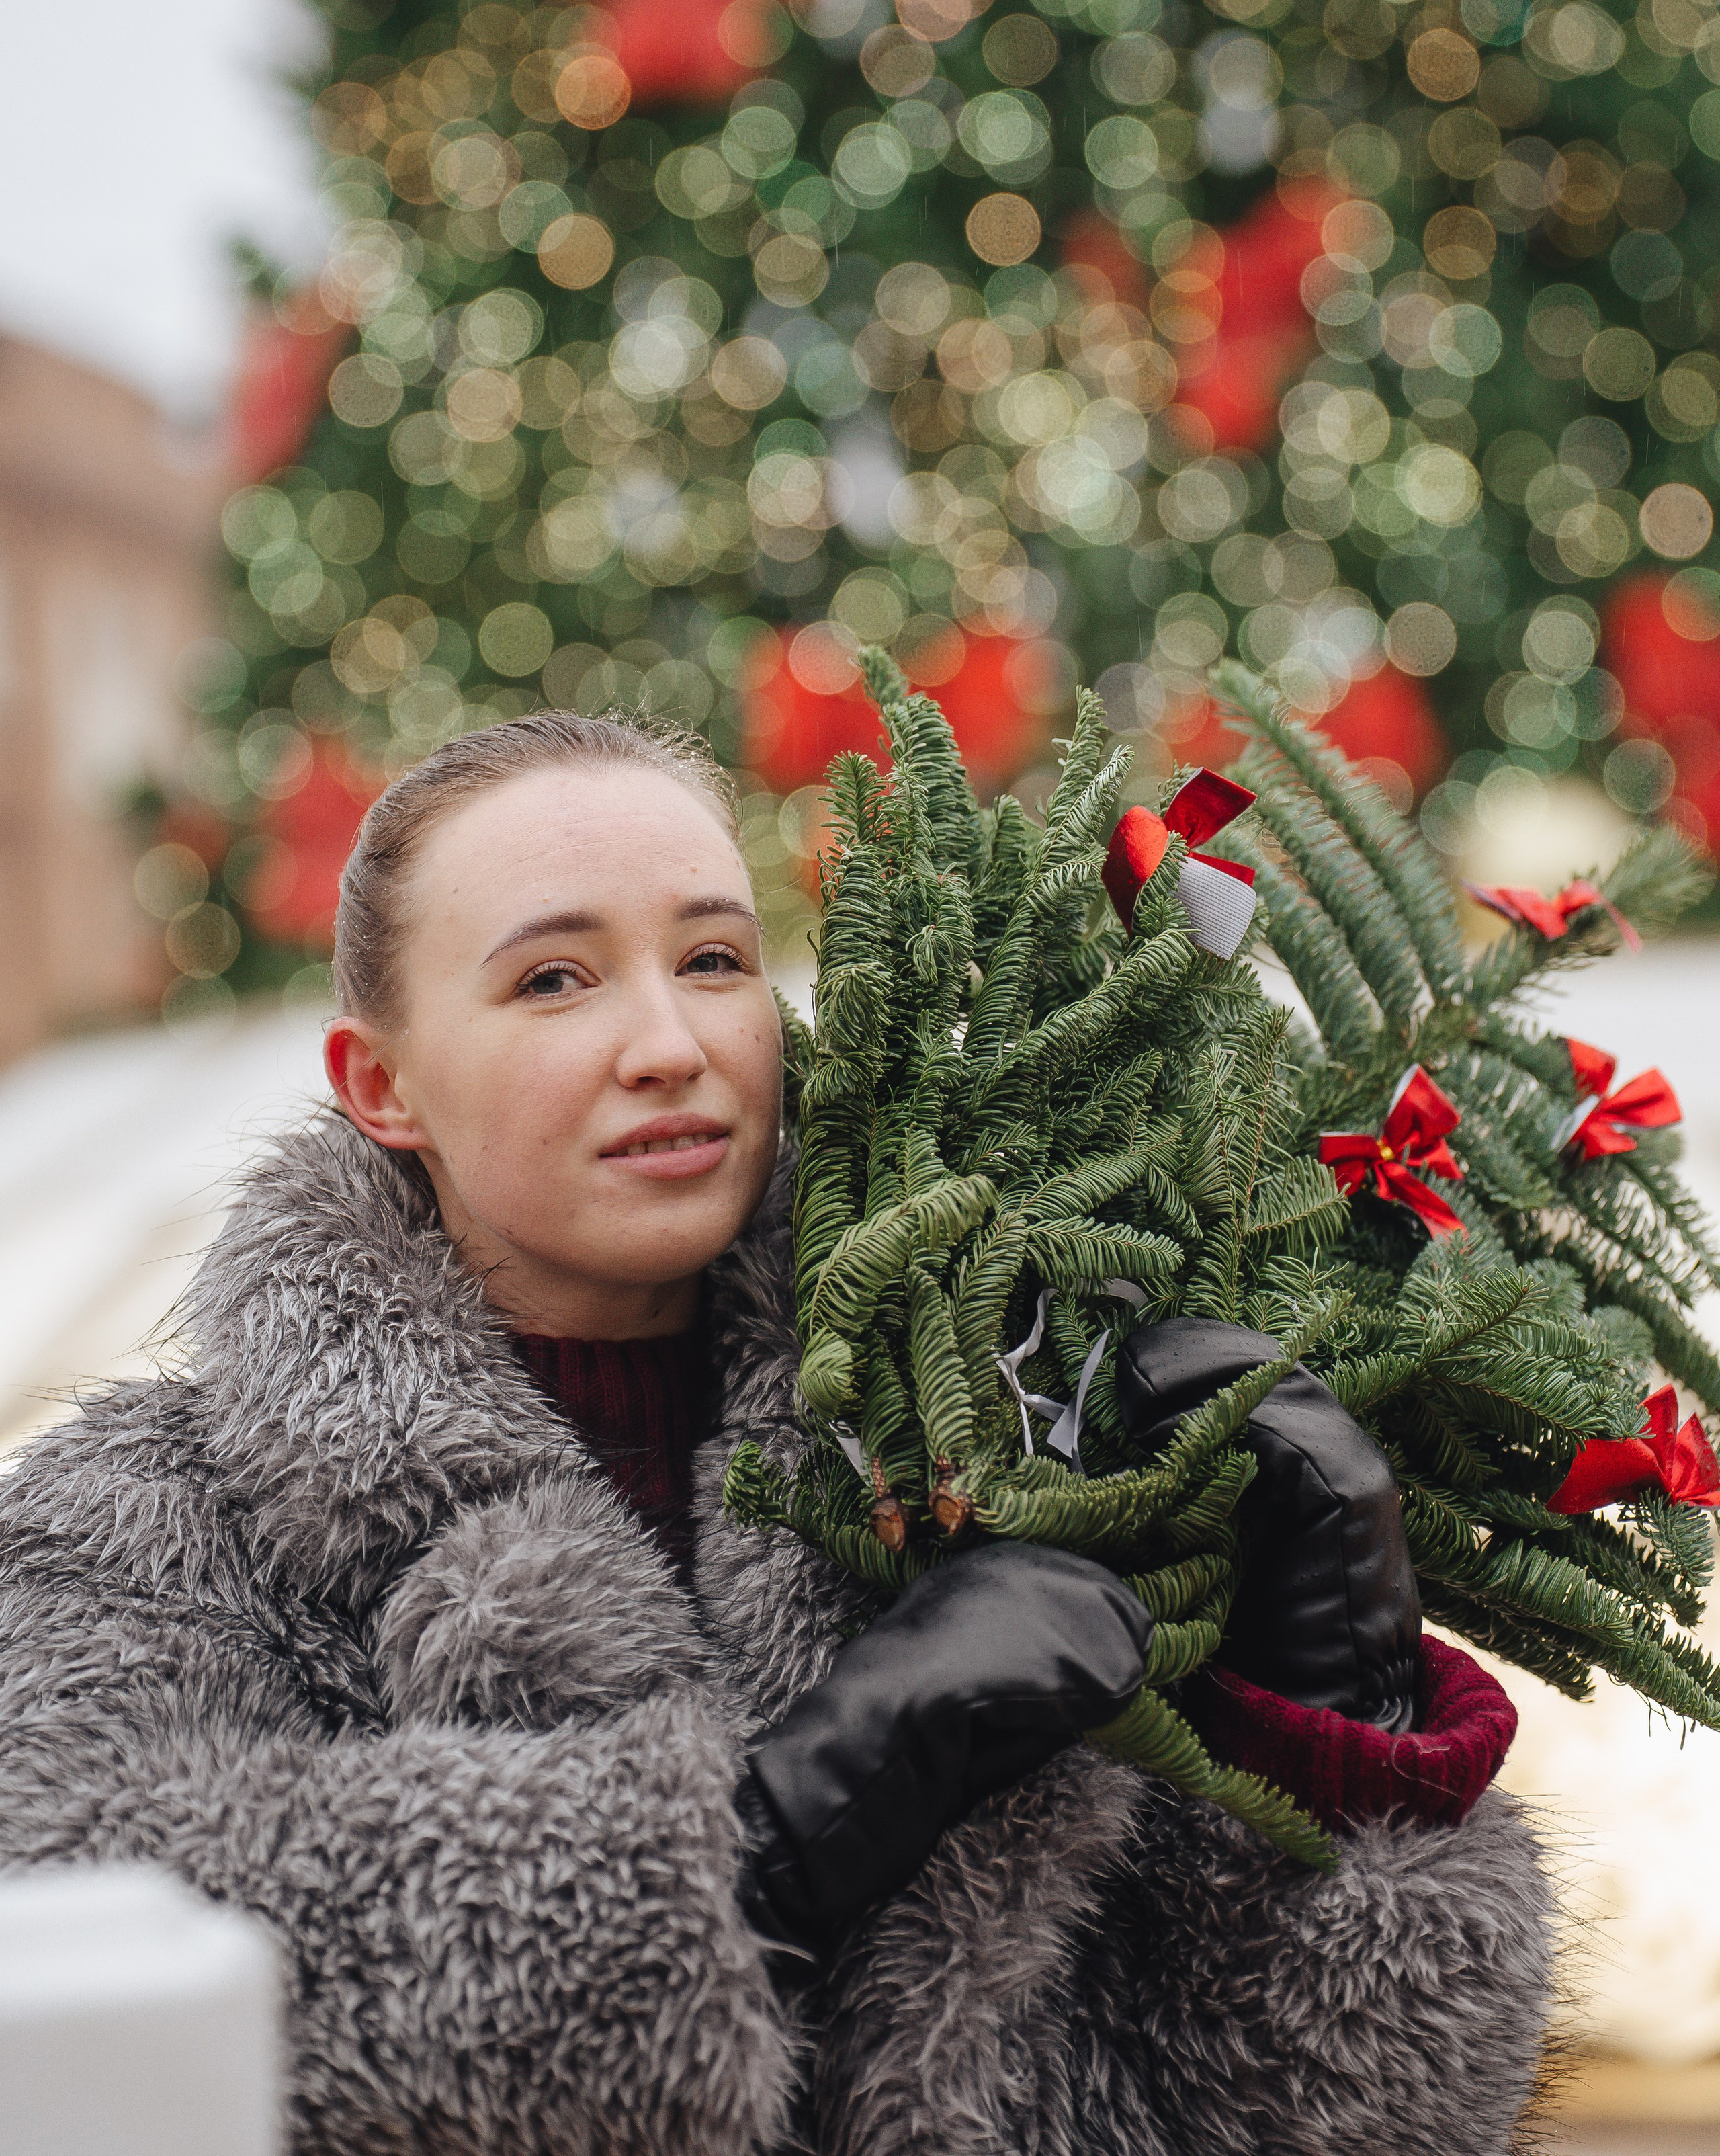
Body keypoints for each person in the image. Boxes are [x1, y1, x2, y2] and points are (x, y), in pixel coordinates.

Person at [0, 712, 1549, 2155]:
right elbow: (99, 1991)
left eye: (717, 959)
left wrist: (1334, 1717)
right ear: (380, 1083)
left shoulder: (999, 1444)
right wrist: (788, 1820)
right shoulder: (147, 1524)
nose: (667, 1042)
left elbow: (1335, 2112)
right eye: (555, 979)